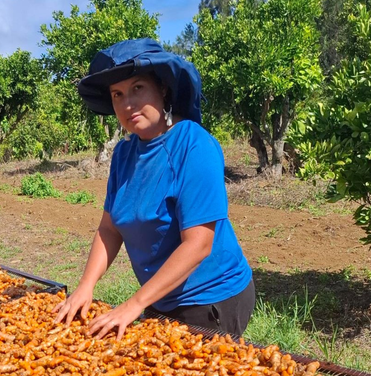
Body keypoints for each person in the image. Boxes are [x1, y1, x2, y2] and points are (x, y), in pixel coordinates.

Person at [53, 38, 255, 340]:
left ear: (162, 88)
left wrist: (134, 304)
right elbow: (110, 229)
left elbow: (198, 244)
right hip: (158, 297)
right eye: (117, 94)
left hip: (210, 299)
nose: (128, 104)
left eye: (137, 89)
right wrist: (85, 286)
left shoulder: (193, 144)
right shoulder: (124, 154)